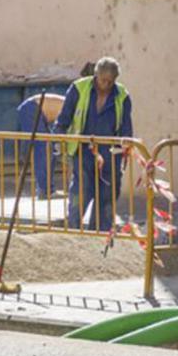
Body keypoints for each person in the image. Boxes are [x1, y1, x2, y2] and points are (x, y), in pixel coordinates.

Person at [52, 56, 133, 231]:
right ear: (96, 75)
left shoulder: (122, 96)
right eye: (103, 80)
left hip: (111, 154)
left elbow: (126, 126)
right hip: (84, 150)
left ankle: (100, 232)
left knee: (107, 195)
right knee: (81, 190)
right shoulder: (79, 88)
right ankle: (74, 230)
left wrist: (127, 142)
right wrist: (59, 135)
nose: (106, 85)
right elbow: (64, 117)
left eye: (110, 81)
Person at [15, 92, 64, 196]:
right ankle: (44, 190)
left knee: (51, 150)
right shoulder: (76, 109)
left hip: (38, 111)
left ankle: (47, 188)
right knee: (43, 149)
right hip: (32, 109)